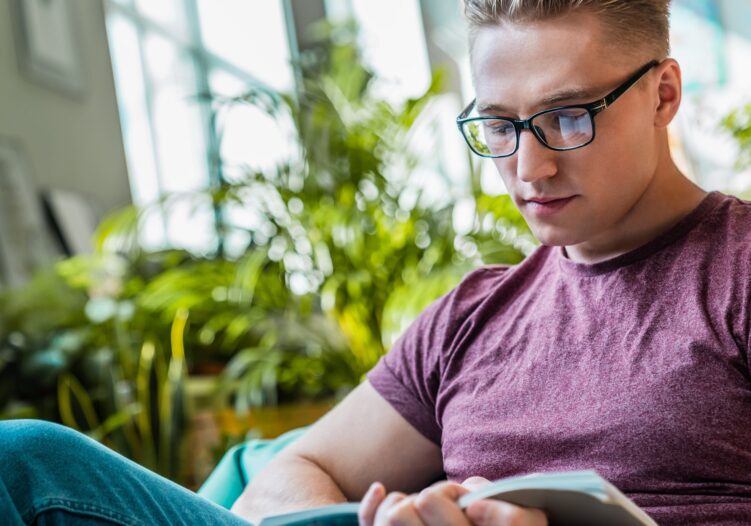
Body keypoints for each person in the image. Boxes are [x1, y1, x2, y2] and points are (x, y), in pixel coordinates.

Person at [1, 1, 750, 525]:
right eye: (497, 124)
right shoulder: (470, 317)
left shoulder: (735, 270)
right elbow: (284, 479)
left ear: (662, 94)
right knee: (25, 461)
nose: (529, 167)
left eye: (565, 117)